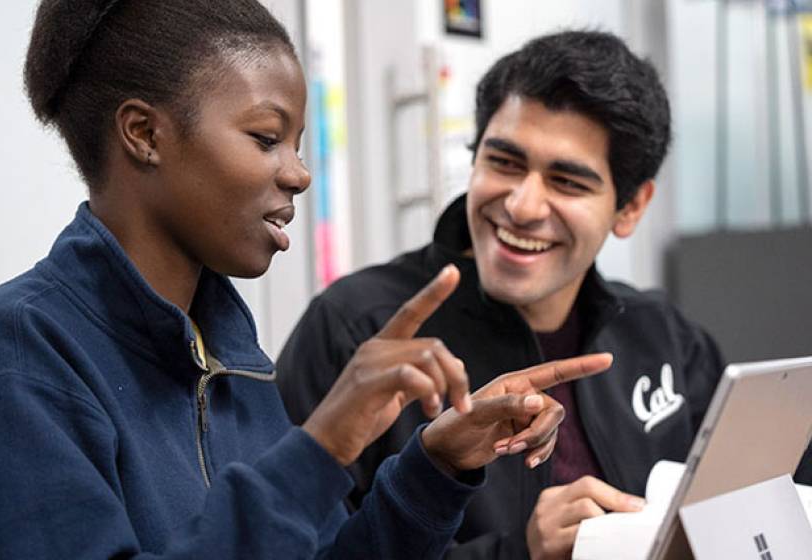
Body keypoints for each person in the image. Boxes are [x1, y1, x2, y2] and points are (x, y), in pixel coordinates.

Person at [0, 4, 615, 558]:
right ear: (144, 133)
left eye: (297, 143)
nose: (297, 173)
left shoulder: (234, 353)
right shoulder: (15, 353)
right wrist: (318, 449)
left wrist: (432, 466)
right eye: (266, 138)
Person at [277, 29, 786, 559]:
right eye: (504, 162)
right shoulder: (357, 329)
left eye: (567, 182)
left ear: (631, 207)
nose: (522, 205)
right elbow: (297, 551)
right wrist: (522, 552)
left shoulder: (666, 339)